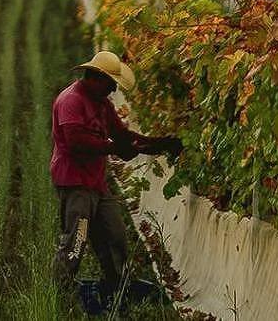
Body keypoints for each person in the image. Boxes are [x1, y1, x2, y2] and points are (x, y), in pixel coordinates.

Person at [50, 50, 182, 307]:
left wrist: (157, 144)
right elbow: (76, 142)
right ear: (96, 78)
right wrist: (115, 149)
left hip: (96, 182)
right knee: (77, 240)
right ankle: (60, 294)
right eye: (110, 84)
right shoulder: (71, 101)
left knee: (115, 235)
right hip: (75, 182)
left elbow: (121, 135)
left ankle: (115, 286)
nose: (112, 90)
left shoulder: (102, 104)